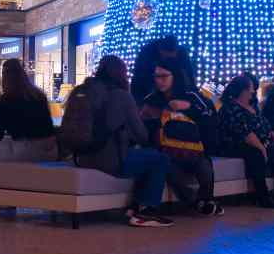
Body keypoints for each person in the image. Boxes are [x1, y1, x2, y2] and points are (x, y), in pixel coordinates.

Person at [75, 55, 174, 227]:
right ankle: (146, 211)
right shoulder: (121, 96)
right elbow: (141, 135)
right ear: (121, 74)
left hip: (82, 158)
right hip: (109, 161)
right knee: (159, 159)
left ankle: (134, 207)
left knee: (144, 157)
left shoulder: (82, 91)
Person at [140, 58, 224, 216]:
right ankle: (197, 204)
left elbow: (210, 117)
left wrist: (189, 107)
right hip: (166, 151)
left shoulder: (191, 96)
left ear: (175, 76)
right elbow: (144, 127)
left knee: (204, 165)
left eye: (164, 76)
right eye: (157, 76)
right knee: (168, 169)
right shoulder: (151, 100)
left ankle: (206, 200)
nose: (160, 81)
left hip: (194, 150)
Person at [218, 74, 274, 207]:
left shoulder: (253, 106)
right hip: (239, 144)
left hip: (260, 141)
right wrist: (262, 148)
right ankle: (262, 196)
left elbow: (266, 127)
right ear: (242, 91)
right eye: (250, 89)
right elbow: (245, 133)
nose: (253, 91)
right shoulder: (230, 108)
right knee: (257, 154)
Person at [0, 58, 58, 162]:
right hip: (50, 151)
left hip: (26, 152)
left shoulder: (5, 99)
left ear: (4, 77)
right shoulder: (38, 95)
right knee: (11, 140)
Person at [132, 36, 197, 105]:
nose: (170, 61)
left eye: (172, 58)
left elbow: (189, 72)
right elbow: (138, 77)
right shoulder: (146, 53)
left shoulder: (181, 52)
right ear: (161, 50)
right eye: (168, 57)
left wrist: (193, 91)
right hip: (145, 86)